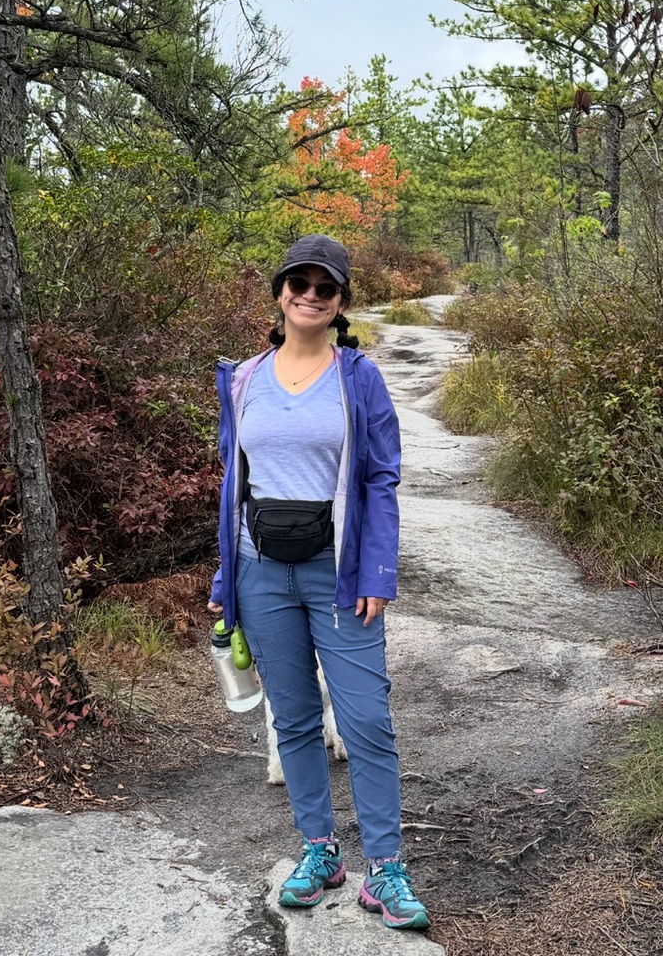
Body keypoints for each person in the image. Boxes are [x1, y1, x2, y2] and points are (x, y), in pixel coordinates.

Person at [207, 234, 430, 931]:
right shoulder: (243, 378)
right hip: (260, 572)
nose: (309, 295)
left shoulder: (358, 379)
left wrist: (377, 571)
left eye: (324, 287)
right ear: (280, 293)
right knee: (295, 719)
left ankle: (385, 869)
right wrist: (226, 576)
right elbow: (233, 483)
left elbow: (381, 478)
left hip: (339, 576)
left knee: (365, 721)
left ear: (339, 302)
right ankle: (319, 852)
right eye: (298, 283)